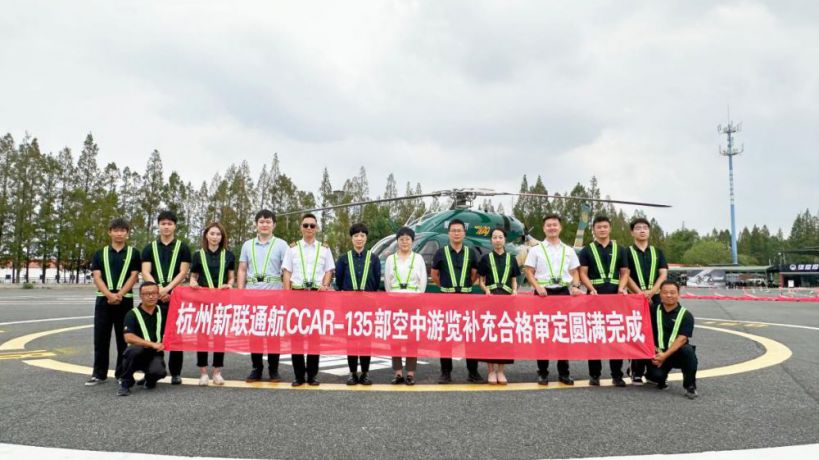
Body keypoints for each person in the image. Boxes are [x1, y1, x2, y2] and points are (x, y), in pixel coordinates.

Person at [523, 214, 582, 386]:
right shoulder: (536, 250)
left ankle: (564, 373)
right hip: (543, 295)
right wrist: (537, 287)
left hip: (562, 293)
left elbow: (575, 271)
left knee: (563, 332)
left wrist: (575, 286)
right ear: (544, 228)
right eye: (548, 225)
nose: (552, 228)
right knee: (542, 333)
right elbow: (528, 271)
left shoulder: (568, 250)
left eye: (555, 225)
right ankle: (542, 372)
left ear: (560, 227)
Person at [86, 217, 141, 386]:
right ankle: (99, 374)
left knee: (123, 339)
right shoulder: (100, 253)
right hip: (103, 301)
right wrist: (109, 294)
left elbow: (134, 276)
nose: (119, 233)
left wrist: (120, 294)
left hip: (125, 301)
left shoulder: (134, 253)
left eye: (123, 230)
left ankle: (122, 374)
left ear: (127, 233)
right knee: (101, 338)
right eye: (116, 230)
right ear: (109, 232)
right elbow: (97, 276)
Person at [282, 213, 335, 386]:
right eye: (306, 225)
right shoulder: (292, 249)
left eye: (312, 225)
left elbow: (328, 270)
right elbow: (287, 272)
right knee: (296, 335)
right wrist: (287, 294)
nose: (309, 228)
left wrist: (325, 285)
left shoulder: (324, 249)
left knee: (314, 335)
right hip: (297, 294)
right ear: (301, 228)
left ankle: (312, 375)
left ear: (317, 228)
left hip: (316, 295)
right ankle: (298, 375)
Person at [140, 210, 192, 385]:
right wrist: (157, 290)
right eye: (163, 223)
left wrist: (168, 289)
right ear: (158, 225)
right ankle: (153, 371)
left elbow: (183, 272)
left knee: (176, 335)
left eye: (170, 224)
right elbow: (145, 271)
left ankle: (176, 373)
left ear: (175, 226)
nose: (166, 227)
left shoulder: (183, 247)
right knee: (153, 335)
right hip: (153, 297)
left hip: (175, 297)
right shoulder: (149, 248)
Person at [238, 209, 289, 383]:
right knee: (255, 334)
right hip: (252, 295)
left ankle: (273, 370)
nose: (264, 225)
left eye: (268, 222)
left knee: (273, 334)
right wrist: (240, 292)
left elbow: (287, 271)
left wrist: (287, 294)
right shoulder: (247, 245)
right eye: (261, 222)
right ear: (256, 225)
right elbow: (242, 269)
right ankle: (256, 368)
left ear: (274, 225)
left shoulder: (281, 245)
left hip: (274, 296)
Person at [578, 215, 630, 387]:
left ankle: (617, 375)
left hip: (615, 298)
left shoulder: (620, 249)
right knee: (595, 336)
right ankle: (594, 375)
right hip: (594, 297)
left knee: (616, 335)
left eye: (605, 226)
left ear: (610, 228)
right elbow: (583, 273)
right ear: (593, 229)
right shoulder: (587, 250)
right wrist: (591, 288)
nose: (602, 229)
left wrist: (621, 288)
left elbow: (625, 272)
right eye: (598, 227)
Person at [431, 218, 483, 384]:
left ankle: (473, 372)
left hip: (466, 299)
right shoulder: (440, 253)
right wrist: (445, 287)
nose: (456, 233)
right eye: (453, 230)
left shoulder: (471, 252)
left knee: (470, 335)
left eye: (459, 230)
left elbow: (475, 274)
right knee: (446, 336)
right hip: (447, 299)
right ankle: (445, 372)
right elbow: (434, 275)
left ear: (464, 233)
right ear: (448, 233)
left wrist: (465, 286)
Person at [189, 221, 236, 386]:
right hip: (202, 300)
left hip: (222, 301)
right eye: (212, 234)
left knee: (219, 336)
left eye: (218, 234)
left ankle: (217, 372)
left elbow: (231, 277)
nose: (215, 237)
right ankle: (203, 372)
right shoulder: (198, 255)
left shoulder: (228, 255)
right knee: (202, 335)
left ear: (222, 237)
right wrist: (193, 282)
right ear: (206, 235)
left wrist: (229, 284)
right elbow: (193, 276)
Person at [335, 223, 382, 386]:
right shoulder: (343, 259)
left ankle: (365, 373)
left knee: (366, 339)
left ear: (366, 238)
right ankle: (353, 373)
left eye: (362, 235)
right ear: (352, 238)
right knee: (351, 339)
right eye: (356, 236)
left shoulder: (374, 259)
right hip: (349, 304)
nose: (359, 238)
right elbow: (339, 282)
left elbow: (376, 281)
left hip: (368, 304)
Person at [625, 217, 668, 385]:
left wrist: (652, 291)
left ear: (649, 231)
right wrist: (640, 293)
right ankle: (635, 370)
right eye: (638, 228)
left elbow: (663, 274)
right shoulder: (627, 252)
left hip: (655, 297)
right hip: (635, 298)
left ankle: (653, 370)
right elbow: (625, 275)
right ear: (632, 232)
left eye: (645, 227)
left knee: (656, 332)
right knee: (637, 332)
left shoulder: (657, 252)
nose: (642, 230)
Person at [383, 226, 428, 385]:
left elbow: (423, 282)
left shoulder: (418, 259)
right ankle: (397, 373)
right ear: (397, 241)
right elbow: (387, 283)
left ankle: (410, 373)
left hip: (413, 299)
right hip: (395, 299)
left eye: (407, 239)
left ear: (412, 241)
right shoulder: (390, 259)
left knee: (412, 337)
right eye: (401, 239)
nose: (404, 242)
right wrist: (393, 296)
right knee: (395, 337)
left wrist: (416, 298)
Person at [477, 227, 520, 384]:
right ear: (491, 240)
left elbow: (514, 279)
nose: (497, 240)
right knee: (490, 334)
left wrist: (515, 290)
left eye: (500, 237)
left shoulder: (511, 259)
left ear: (505, 239)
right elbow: (481, 280)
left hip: (507, 300)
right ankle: (491, 371)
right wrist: (486, 289)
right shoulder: (485, 258)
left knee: (504, 334)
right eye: (494, 237)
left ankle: (501, 370)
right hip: (490, 299)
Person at [645, 281, 698, 399]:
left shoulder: (686, 315)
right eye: (665, 292)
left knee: (688, 351)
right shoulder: (652, 310)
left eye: (672, 292)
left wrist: (665, 355)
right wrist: (654, 352)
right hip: (657, 353)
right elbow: (643, 330)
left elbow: (682, 339)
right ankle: (654, 376)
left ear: (678, 294)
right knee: (655, 377)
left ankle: (690, 386)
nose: (669, 295)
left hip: (676, 353)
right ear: (660, 294)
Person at [117, 282, 168, 396]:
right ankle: (126, 383)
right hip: (137, 353)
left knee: (160, 372)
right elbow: (128, 337)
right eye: (147, 294)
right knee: (133, 350)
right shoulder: (132, 314)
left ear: (158, 294)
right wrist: (152, 344)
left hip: (155, 354)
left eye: (154, 293)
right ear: (140, 296)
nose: (151, 296)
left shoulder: (163, 311)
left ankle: (149, 379)